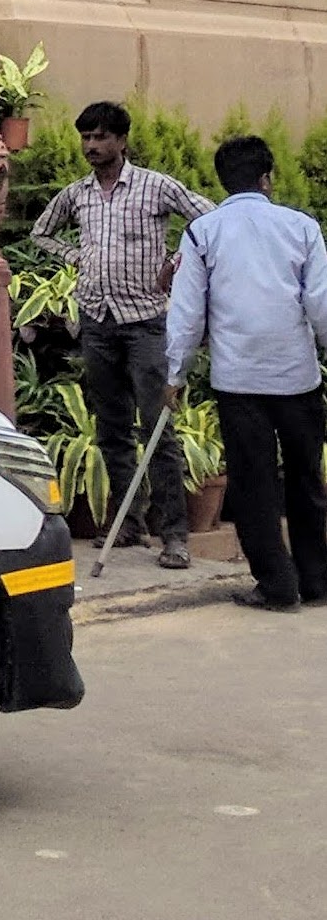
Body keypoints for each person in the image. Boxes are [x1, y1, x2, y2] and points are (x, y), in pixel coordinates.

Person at [33, 101, 210, 569]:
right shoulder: (78, 194)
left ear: (122, 140)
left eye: (101, 138)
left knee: (157, 428)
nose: (92, 146)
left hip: (146, 323)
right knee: (111, 428)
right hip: (98, 321)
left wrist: (176, 263)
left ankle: (173, 534)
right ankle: (126, 523)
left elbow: (209, 220)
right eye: (86, 138)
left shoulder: (155, 187)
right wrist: (77, 257)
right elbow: (40, 233)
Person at [164, 135, 327, 613]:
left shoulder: (202, 232)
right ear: (266, 179)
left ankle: (276, 586)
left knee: (253, 483)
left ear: (223, 182)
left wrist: (175, 372)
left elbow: (188, 313)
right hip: (297, 377)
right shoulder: (302, 227)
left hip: (238, 382)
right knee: (305, 477)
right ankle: (317, 580)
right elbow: (319, 302)